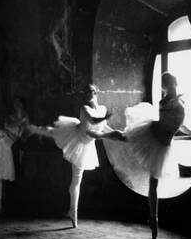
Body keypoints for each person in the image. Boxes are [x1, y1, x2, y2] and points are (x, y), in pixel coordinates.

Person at [29, 84, 122, 228]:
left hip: (88, 144)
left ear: (97, 93)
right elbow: (93, 121)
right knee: (52, 132)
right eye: (87, 92)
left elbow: (102, 127)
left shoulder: (102, 109)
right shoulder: (84, 109)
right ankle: (33, 129)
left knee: (77, 179)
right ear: (85, 95)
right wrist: (107, 120)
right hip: (77, 139)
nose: (89, 93)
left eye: (92, 91)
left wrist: (116, 133)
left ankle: (72, 211)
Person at [110, 72, 185, 239]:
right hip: (154, 135)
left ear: (173, 83)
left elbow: (174, 124)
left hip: (162, 143)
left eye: (167, 84)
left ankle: (154, 220)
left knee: (153, 184)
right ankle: (153, 221)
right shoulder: (165, 101)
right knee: (125, 137)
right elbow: (166, 118)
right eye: (165, 85)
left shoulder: (178, 104)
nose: (166, 87)